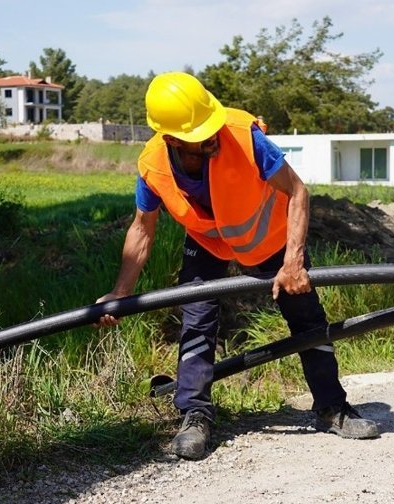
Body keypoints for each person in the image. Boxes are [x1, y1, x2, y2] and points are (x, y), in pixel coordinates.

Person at [96, 72, 379, 460]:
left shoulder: (244, 136)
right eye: (200, 137)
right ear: (172, 139)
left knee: (308, 319)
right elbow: (142, 229)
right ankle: (195, 415)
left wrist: (293, 260)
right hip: (208, 242)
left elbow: (297, 191)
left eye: (210, 128)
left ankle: (332, 408)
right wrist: (120, 292)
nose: (212, 137)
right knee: (196, 319)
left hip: (272, 240)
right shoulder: (153, 165)